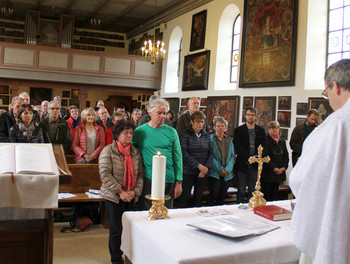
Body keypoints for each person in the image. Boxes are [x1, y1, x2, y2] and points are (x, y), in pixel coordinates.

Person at [290, 59, 350, 264]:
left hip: (339, 229)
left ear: (336, 86)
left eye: (327, 92)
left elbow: (301, 180)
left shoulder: (335, 127)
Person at [99, 119, 143, 264]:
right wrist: (120, 192)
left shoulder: (135, 152)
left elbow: (140, 175)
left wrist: (134, 192)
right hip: (114, 197)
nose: (129, 136)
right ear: (117, 134)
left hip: (130, 196)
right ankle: (116, 260)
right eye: (126, 133)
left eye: (131, 133)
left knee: (129, 231)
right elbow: (105, 174)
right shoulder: (108, 151)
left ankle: (129, 257)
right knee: (116, 230)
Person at [133, 98, 183, 210]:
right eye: (159, 113)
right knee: (147, 212)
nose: (163, 116)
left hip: (168, 178)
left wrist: (179, 181)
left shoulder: (172, 132)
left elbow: (178, 157)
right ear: (150, 113)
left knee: (165, 212)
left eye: (165, 113)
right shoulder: (140, 132)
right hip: (148, 178)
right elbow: (131, 152)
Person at [177, 111, 213, 207]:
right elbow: (184, 153)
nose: (200, 124)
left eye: (202, 122)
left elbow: (211, 153)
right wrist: (199, 166)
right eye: (198, 121)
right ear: (192, 122)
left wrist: (206, 168)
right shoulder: (185, 135)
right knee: (185, 197)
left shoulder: (206, 135)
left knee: (199, 198)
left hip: (203, 172)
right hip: (188, 171)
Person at [233, 106, 266, 204]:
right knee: (241, 189)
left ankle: (251, 207)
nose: (250, 117)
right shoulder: (239, 130)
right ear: (245, 116)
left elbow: (263, 145)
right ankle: (239, 207)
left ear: (256, 116)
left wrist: (256, 156)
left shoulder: (261, 130)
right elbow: (237, 146)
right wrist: (248, 157)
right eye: (248, 115)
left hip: (255, 164)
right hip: (243, 163)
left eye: (252, 115)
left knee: (253, 189)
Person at [207, 117, 235, 206]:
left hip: (227, 174)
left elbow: (232, 156)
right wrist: (220, 170)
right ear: (214, 127)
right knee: (212, 197)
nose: (220, 128)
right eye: (218, 126)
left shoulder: (229, 140)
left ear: (226, 128)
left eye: (222, 126)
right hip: (214, 174)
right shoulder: (210, 140)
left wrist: (227, 170)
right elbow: (210, 156)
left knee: (222, 198)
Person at [260, 121, 289, 202]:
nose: (275, 130)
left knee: (275, 196)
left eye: (276, 128)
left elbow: (286, 156)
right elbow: (265, 156)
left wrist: (284, 167)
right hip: (268, 174)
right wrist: (274, 168)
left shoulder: (282, 141)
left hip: (279, 174)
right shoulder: (265, 140)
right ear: (268, 130)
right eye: (272, 128)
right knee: (267, 196)